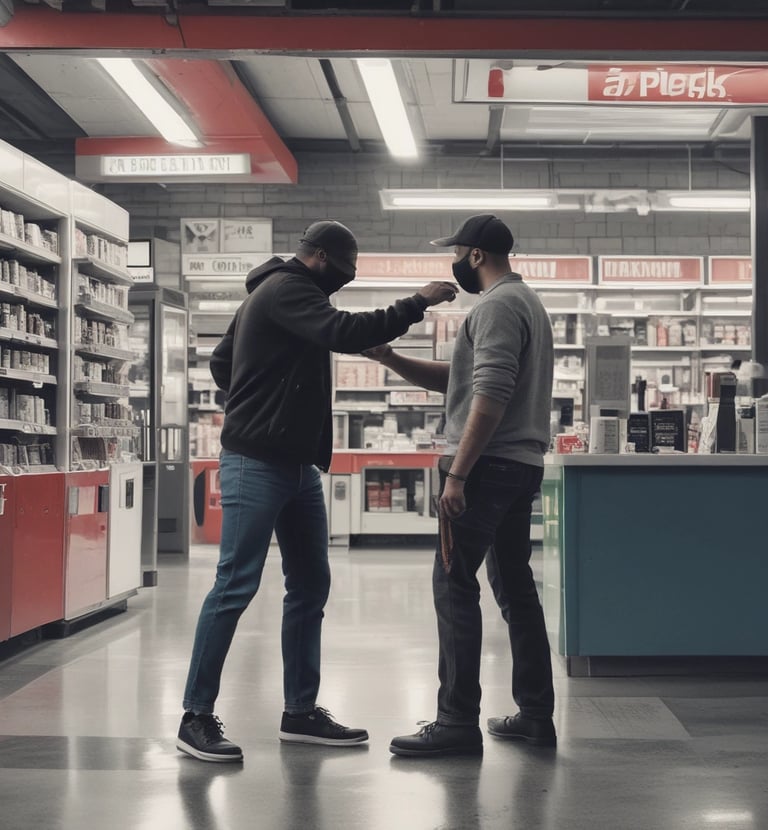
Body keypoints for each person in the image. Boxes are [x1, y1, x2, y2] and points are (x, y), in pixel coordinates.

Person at [177, 220, 457, 763]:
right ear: (324, 257)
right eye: (346, 271)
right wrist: (418, 301)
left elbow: (220, 360)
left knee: (309, 585)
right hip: (255, 462)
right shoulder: (286, 288)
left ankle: (300, 712)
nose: (346, 282)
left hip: (298, 465)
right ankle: (195, 716)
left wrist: (258, 400)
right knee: (235, 585)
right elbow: (344, 332)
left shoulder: (272, 295)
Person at [364, 214, 556, 757]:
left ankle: (456, 721)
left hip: (487, 467)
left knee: (453, 586)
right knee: (517, 590)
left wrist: (459, 473)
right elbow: (463, 380)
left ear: (475, 255)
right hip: (521, 466)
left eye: (457, 253)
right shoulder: (527, 304)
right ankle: (536, 716)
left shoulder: (494, 307)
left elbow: (490, 393)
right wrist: (391, 358)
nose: (453, 263)